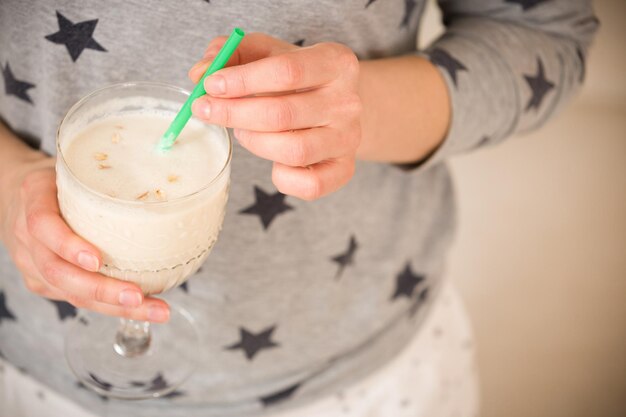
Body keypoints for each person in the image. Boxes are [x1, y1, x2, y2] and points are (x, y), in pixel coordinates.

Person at [0, 1, 597, 416]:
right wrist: (8, 181)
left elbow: (547, 32)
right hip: (34, 369)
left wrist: (364, 107)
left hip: (355, 362)